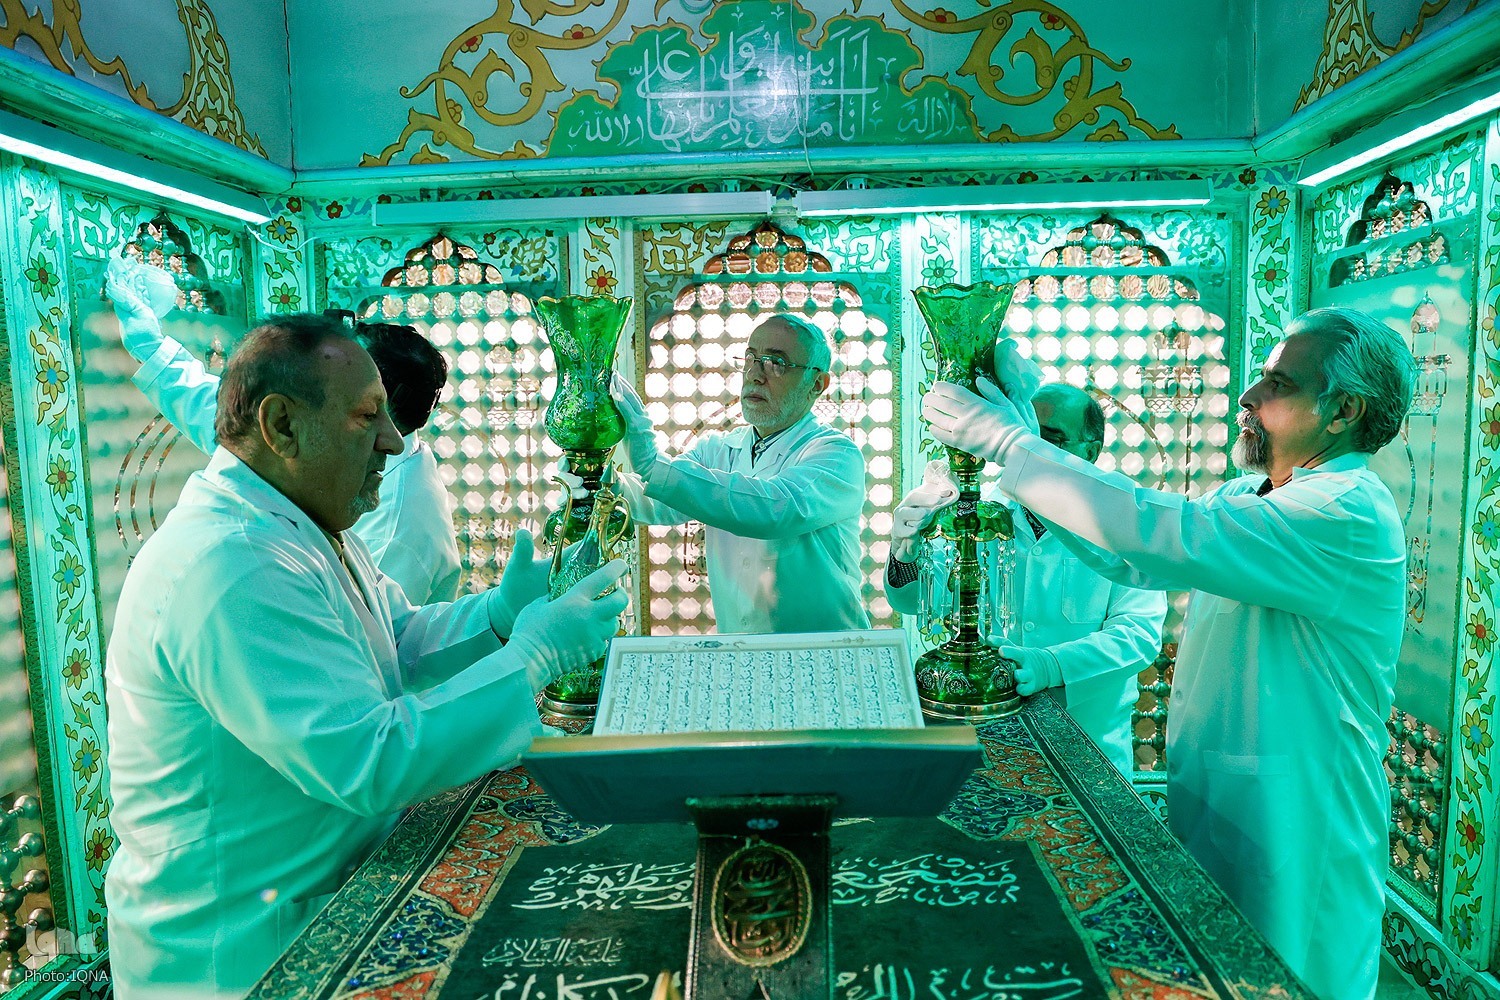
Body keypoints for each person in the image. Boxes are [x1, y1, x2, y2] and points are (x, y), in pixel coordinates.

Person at [104, 315, 627, 1000]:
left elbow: (396, 642)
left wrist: (497, 618)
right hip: (241, 944)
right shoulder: (232, 563)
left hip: (317, 887)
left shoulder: (303, 521)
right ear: (281, 426)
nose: (393, 439)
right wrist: (534, 656)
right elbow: (368, 761)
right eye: (366, 415)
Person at [920, 308, 1416, 1000]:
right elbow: (1135, 558)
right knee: (1213, 970)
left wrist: (1013, 444)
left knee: (1286, 978)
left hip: (1298, 813)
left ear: (1343, 412)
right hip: (1224, 792)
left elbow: (1165, 532)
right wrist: (1023, 447)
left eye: (1278, 384)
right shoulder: (1252, 493)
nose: (1249, 396)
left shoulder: (1344, 510)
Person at [105, 263, 463, 604]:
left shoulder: (394, 527)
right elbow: (239, 426)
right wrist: (149, 345)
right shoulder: (328, 442)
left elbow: (375, 634)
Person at [885, 383, 1167, 775]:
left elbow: (1138, 636)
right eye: (1025, 437)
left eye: (1052, 440)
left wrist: (1050, 665)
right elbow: (914, 602)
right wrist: (905, 550)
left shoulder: (1124, 522)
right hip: (986, 739)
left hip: (1087, 744)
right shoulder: (982, 513)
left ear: (1091, 451)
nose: (1035, 453)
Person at [605, 313, 868, 633]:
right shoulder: (718, 450)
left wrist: (652, 464)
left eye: (776, 363)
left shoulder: (836, 454)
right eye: (751, 359)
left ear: (816, 384)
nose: (755, 375)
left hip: (829, 652)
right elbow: (659, 499)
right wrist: (600, 481)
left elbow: (774, 510)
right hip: (739, 652)